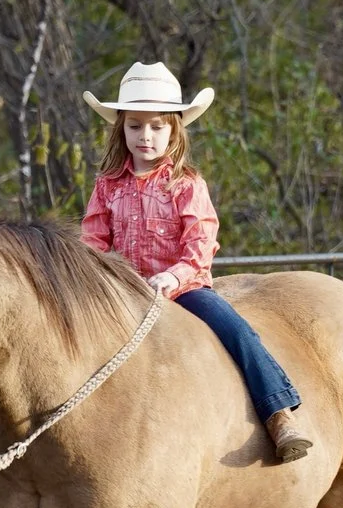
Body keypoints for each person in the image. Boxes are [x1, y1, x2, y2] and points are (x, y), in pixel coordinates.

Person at [79, 62, 312, 465]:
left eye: (156, 127)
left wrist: (172, 276)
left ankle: (279, 414)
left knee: (237, 331)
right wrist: (97, 281)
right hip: (121, 295)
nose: (145, 136)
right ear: (121, 129)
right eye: (135, 126)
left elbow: (200, 244)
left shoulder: (185, 184)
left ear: (174, 130)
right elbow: (93, 242)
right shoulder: (107, 185)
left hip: (183, 291)